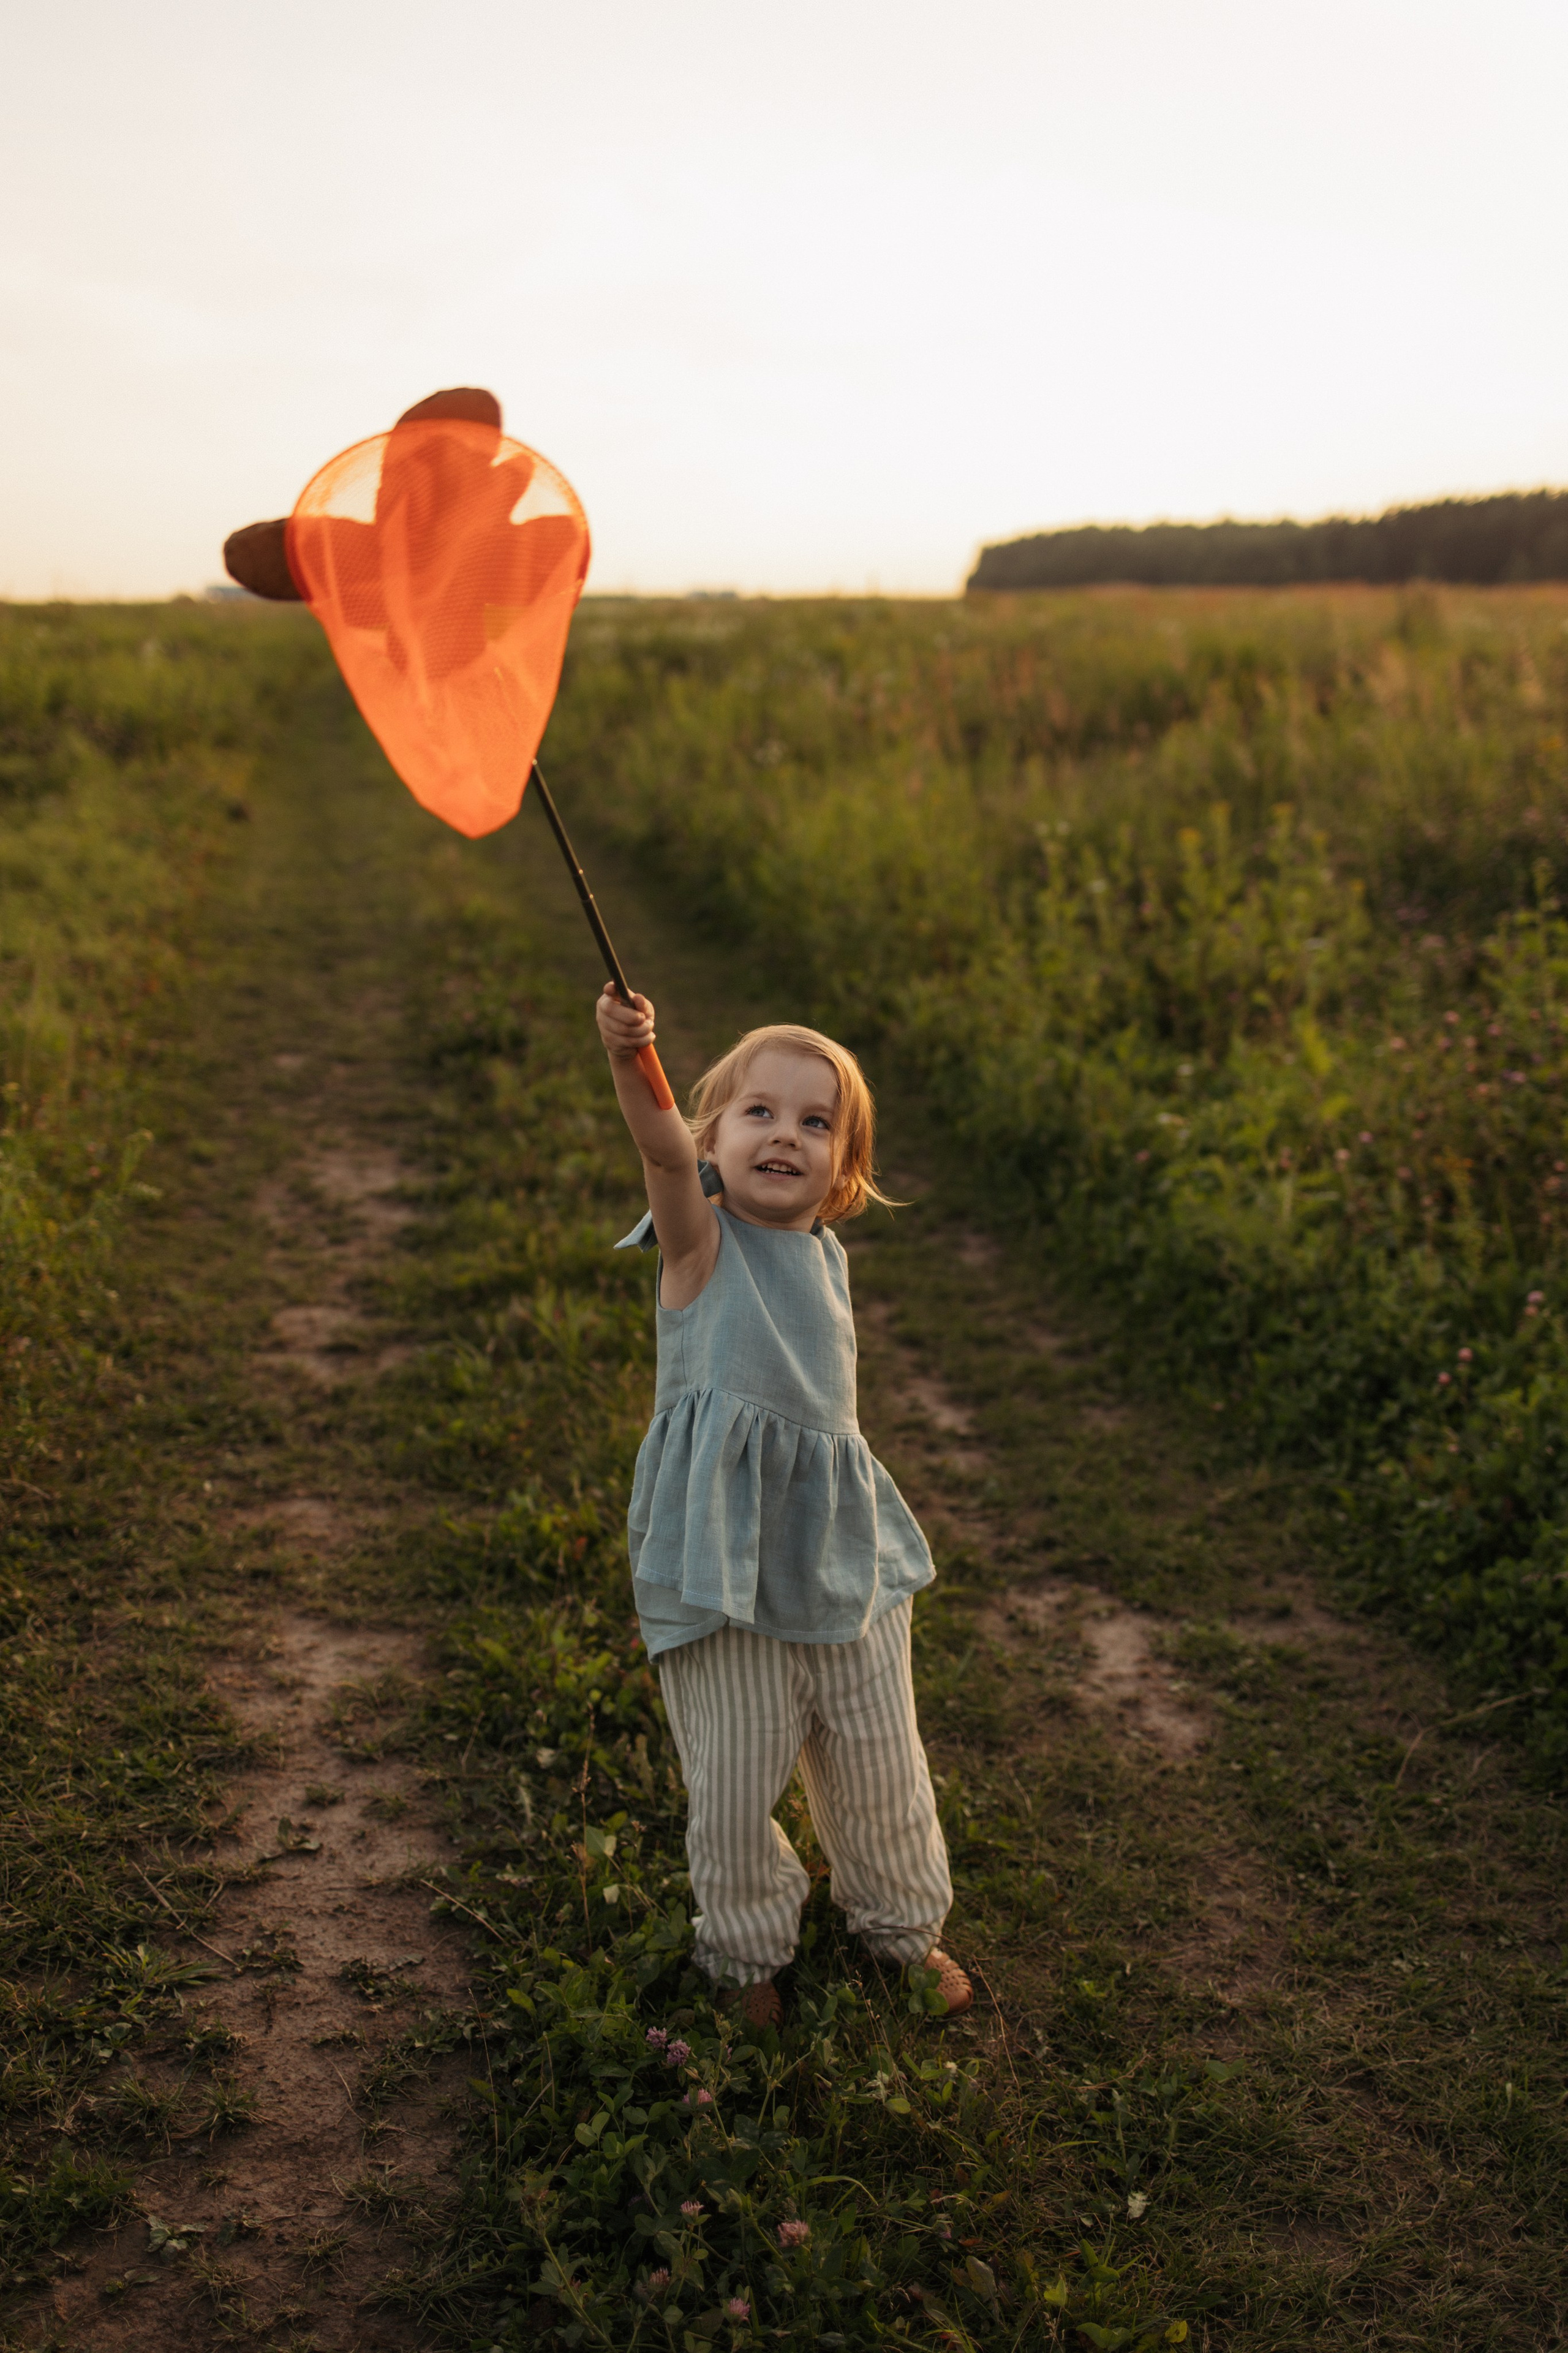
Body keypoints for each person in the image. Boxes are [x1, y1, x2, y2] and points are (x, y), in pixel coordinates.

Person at [597, 984, 972, 2028]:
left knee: (878, 1748)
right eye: (759, 1112)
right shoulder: (699, 1248)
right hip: (727, 1564)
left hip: (837, 1555)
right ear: (712, 1137)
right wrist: (635, 1061)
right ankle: (749, 1948)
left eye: (818, 1124)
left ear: (844, 1170)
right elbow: (662, 1158)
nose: (786, 1135)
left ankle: (900, 1927)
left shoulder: (824, 1253)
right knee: (736, 1764)